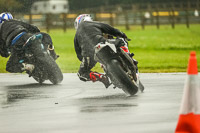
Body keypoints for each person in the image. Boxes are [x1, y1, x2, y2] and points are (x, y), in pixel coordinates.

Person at [74, 14, 128, 88]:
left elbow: (78, 54)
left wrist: (86, 60)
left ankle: (100, 77)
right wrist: (122, 34)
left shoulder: (76, 35)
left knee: (81, 73)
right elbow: (110, 29)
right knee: (121, 41)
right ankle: (127, 55)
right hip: (102, 42)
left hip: (89, 54)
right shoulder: (94, 24)